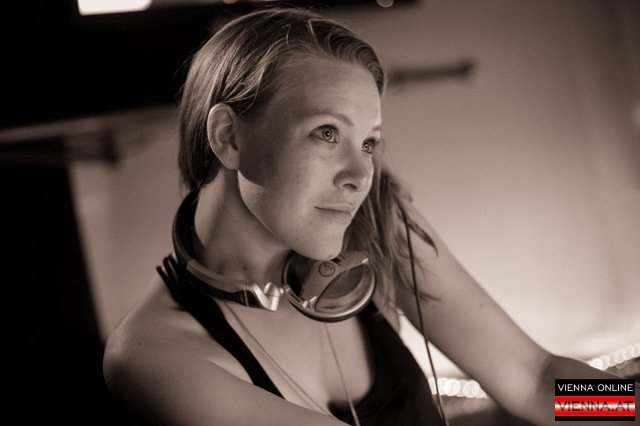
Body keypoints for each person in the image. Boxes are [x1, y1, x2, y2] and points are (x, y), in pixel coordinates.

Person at [103, 7, 634, 426]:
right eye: (326, 133)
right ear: (229, 137)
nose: (362, 174)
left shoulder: (377, 221)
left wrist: (624, 408)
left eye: (369, 142)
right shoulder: (152, 354)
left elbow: (533, 378)